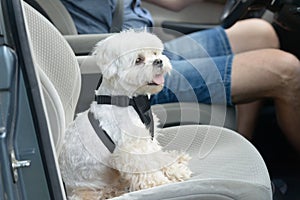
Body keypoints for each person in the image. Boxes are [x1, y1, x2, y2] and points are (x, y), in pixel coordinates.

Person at [60, 0, 300, 153]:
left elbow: (175, 2)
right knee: (286, 70)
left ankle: (244, 147)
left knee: (259, 34)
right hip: (126, 77)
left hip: (147, 50)